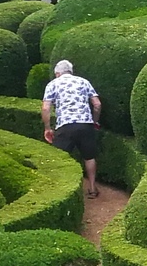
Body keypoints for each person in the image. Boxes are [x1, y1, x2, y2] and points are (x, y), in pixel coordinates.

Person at [42, 58, 102, 198]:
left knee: (59, 159)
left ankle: (61, 191)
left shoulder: (53, 84)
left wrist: (47, 128)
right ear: (71, 71)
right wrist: (94, 121)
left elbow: (45, 108)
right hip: (85, 124)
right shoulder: (83, 81)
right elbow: (97, 104)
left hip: (65, 125)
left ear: (57, 73)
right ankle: (92, 188)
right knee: (89, 157)